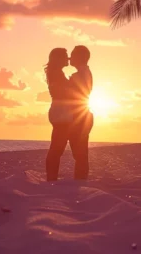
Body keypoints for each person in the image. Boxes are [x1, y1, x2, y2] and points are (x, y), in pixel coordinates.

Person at [44, 46, 93, 181]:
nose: (69, 58)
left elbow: (76, 95)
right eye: (66, 56)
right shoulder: (58, 74)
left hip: (70, 117)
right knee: (62, 151)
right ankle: (54, 180)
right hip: (64, 117)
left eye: (71, 55)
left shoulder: (78, 75)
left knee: (75, 153)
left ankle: (58, 180)